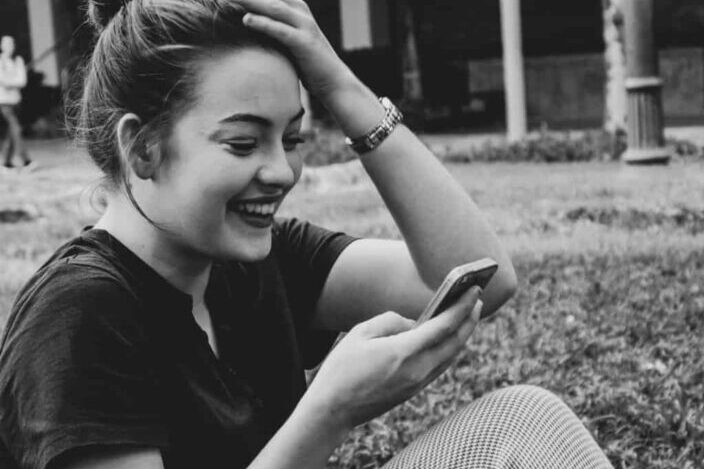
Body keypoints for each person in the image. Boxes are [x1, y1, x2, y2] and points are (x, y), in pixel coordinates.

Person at [0, 1, 614, 468]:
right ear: (142, 148)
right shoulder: (80, 314)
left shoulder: (255, 259)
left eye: (290, 139)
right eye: (243, 143)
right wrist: (330, 410)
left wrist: (341, 85)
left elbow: (482, 274)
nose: (281, 171)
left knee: (523, 419)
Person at [0, 35, 33, 172]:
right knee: (16, 128)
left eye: (12, 44)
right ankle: (26, 161)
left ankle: (6, 163)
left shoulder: (18, 60)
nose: (10, 47)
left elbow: (22, 82)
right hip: (4, 102)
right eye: (7, 44)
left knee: (11, 132)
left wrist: (11, 81)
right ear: (2, 45)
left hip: (16, 101)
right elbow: (4, 82)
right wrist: (14, 81)